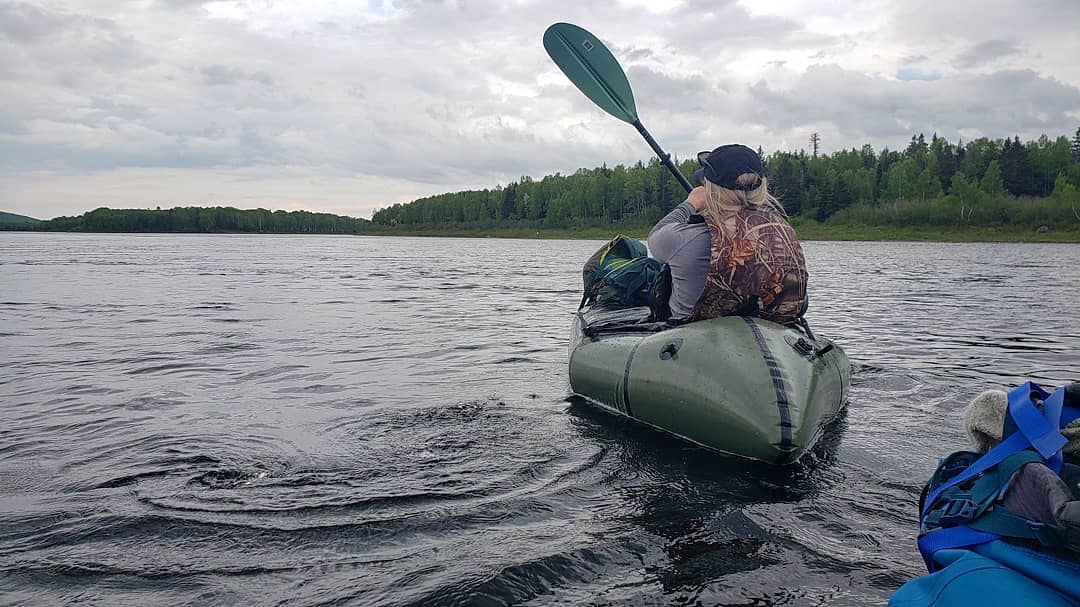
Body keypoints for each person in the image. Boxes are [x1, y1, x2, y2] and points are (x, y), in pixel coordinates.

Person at [647, 144, 807, 325]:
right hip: (774, 339)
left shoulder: (690, 238)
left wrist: (690, 203)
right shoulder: (784, 233)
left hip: (690, 342)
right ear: (761, 186)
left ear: (712, 190)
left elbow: (655, 238)